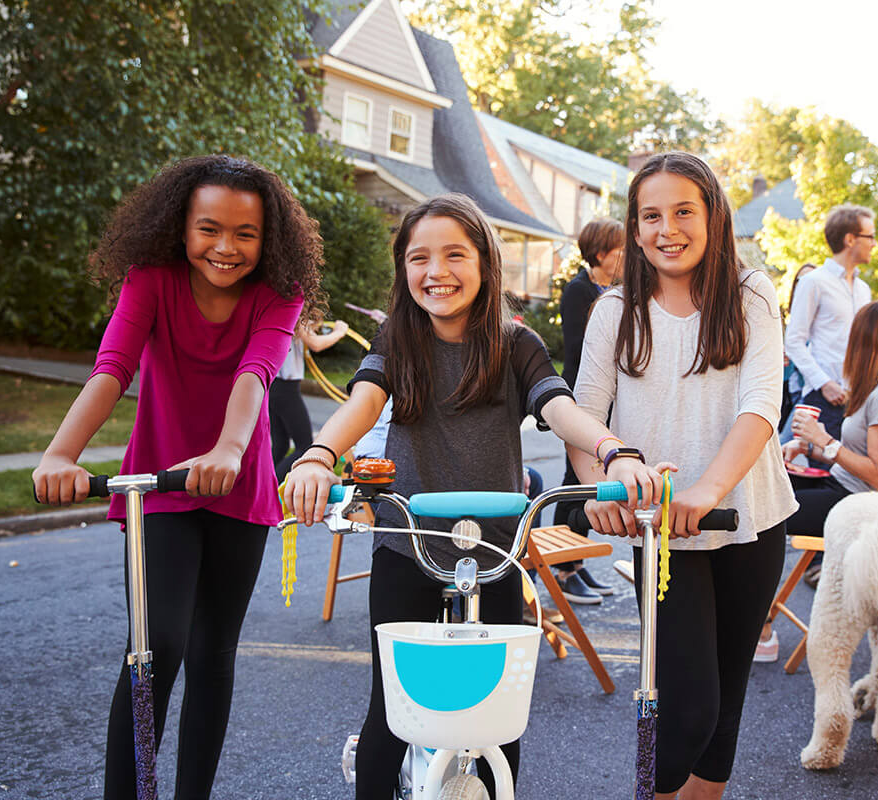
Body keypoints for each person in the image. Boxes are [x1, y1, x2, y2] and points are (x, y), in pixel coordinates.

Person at [282, 193, 663, 799]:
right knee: (390, 712)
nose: (436, 272)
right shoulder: (397, 340)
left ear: (485, 263)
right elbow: (363, 404)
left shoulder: (515, 343)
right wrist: (317, 456)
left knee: (498, 722)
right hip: (408, 544)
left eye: (455, 255)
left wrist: (615, 450)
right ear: (403, 270)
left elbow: (558, 408)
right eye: (419, 258)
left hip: (496, 554)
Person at [31, 155, 324, 799]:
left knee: (214, 654)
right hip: (157, 486)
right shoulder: (152, 279)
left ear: (267, 240)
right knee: (154, 645)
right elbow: (112, 367)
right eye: (209, 229)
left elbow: (258, 374)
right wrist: (60, 453)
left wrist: (228, 449)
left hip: (233, 484)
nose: (226, 247)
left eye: (246, 234)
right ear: (180, 227)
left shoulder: (278, 295)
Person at [571, 152, 796, 800]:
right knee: (687, 708)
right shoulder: (614, 310)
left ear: (712, 216)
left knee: (724, 707)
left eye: (683, 212)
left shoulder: (750, 294)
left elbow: (760, 405)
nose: (667, 228)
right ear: (634, 229)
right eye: (651, 215)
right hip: (662, 533)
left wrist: (707, 491)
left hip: (748, 517)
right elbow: (585, 416)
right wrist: (598, 491)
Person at [756, 301, 878, 660]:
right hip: (843, 489)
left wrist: (824, 441)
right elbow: (857, 459)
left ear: (863, 341)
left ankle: (762, 628)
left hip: (856, 505)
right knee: (761, 490)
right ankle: (758, 618)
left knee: (763, 517)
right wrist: (808, 449)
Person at [552, 216, 625, 604]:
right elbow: (581, 352)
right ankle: (563, 567)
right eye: (620, 251)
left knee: (593, 483)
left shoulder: (617, 290)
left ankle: (576, 562)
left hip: (610, 397)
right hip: (581, 397)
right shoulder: (579, 291)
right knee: (573, 486)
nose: (628, 257)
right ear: (600, 254)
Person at [783, 205, 875, 468]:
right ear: (850, 239)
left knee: (848, 473)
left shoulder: (863, 289)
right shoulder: (815, 282)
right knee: (819, 476)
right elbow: (794, 340)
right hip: (823, 398)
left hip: (856, 399)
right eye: (870, 236)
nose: (874, 243)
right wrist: (824, 383)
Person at [270, 317, 349, 478]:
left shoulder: (279, 310)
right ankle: (270, 491)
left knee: (281, 445)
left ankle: (259, 490)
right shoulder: (293, 311)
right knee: (304, 446)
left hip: (273, 385)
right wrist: (339, 332)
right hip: (285, 387)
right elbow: (316, 344)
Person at [778, 263, 818, 437]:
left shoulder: (823, 323)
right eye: (801, 280)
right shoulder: (789, 320)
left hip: (808, 395)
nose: (805, 285)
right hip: (787, 394)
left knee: (783, 447)